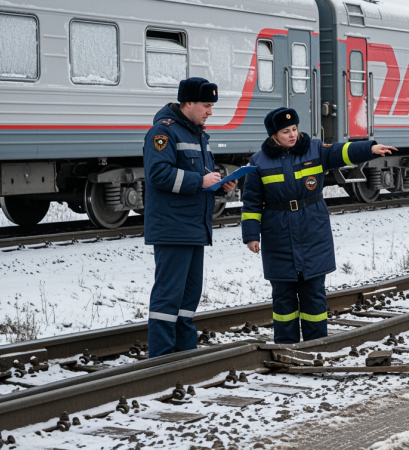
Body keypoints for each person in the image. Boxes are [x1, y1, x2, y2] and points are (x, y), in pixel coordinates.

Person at [241, 108, 396, 344]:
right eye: (286, 131)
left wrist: (369, 148)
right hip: (278, 234)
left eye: (294, 129)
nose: (293, 135)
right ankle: (286, 346)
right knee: (283, 297)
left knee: (313, 293)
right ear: (274, 135)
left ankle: (316, 346)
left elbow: (341, 151)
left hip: (312, 229)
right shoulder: (258, 161)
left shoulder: (313, 149)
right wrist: (251, 235)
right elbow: (251, 202)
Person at [143, 77, 238, 357]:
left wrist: (220, 184)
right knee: (168, 296)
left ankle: (185, 354)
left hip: (194, 227)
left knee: (188, 297)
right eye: (206, 105)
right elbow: (157, 174)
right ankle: (161, 358)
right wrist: (201, 181)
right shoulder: (164, 132)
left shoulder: (196, 134)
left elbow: (200, 178)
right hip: (173, 227)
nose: (210, 111)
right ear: (188, 104)